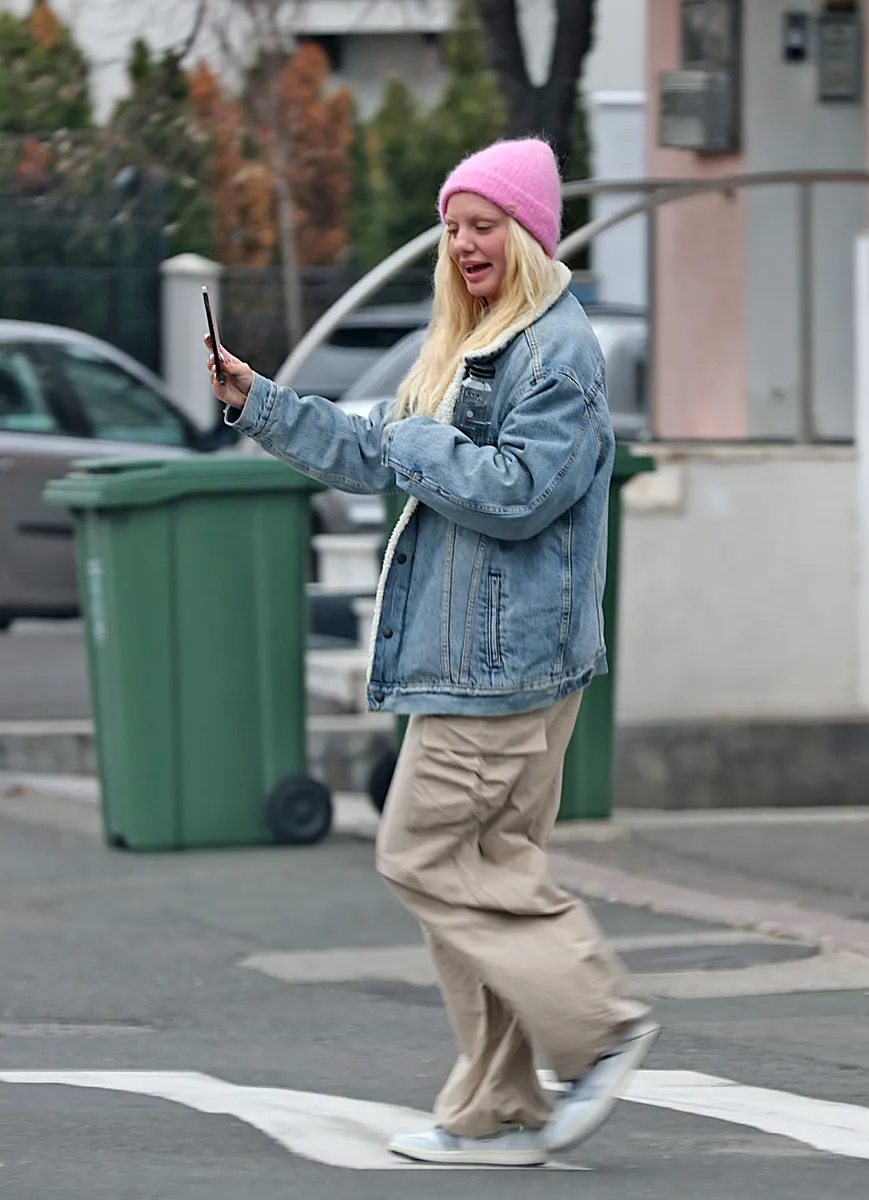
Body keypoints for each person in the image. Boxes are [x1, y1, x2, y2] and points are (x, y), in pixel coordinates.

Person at [206, 137, 659, 1168]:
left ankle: (597, 1025)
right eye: (452, 228)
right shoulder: (476, 341)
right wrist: (258, 400)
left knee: (422, 855)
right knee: (479, 876)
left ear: (529, 235)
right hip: (480, 660)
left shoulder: (554, 354)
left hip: (500, 669)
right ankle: (500, 1110)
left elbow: (516, 493)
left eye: (483, 225)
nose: (462, 245)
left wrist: (417, 438)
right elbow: (372, 450)